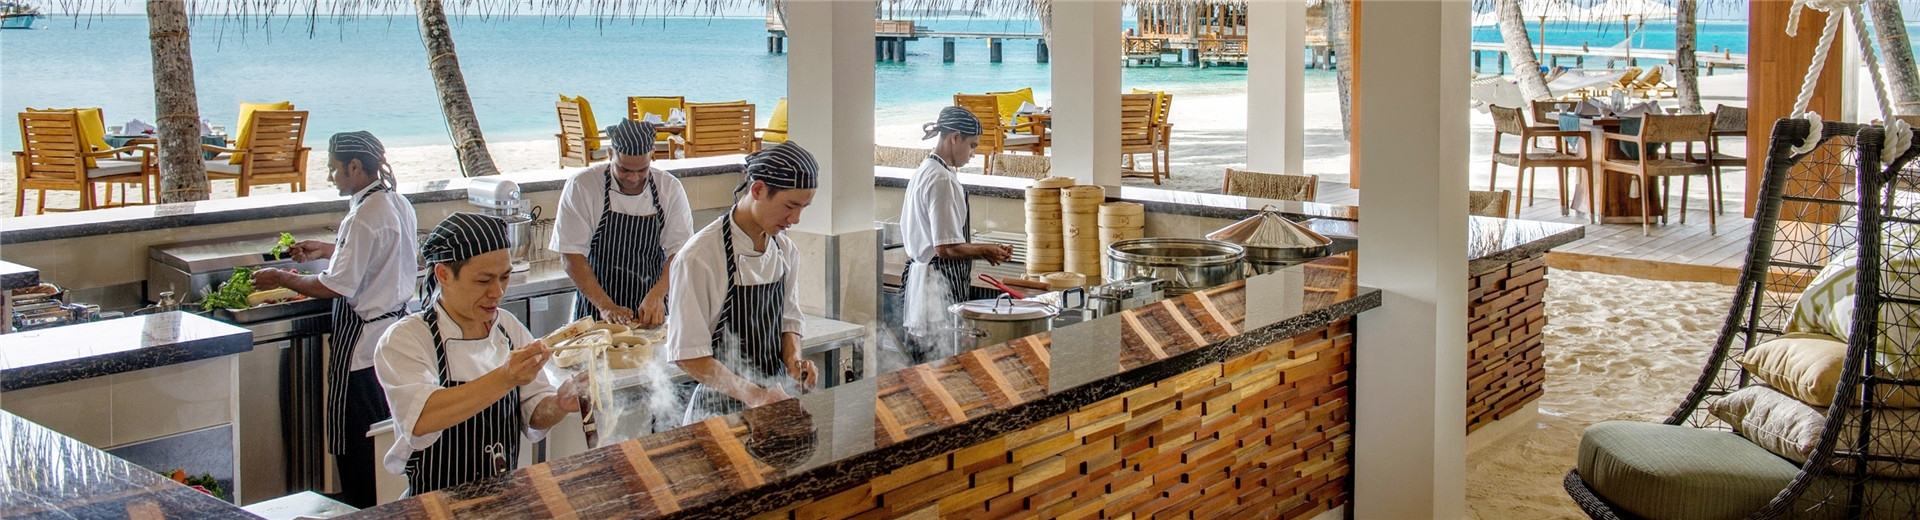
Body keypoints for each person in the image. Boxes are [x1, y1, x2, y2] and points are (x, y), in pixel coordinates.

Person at [250, 131, 417, 508]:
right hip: (393, 340)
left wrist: (281, 276)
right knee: (385, 444)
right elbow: (380, 256)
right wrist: (327, 249)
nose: (330, 177)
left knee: (355, 447)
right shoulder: (397, 203)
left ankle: (359, 511)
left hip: (359, 351)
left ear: (355, 167)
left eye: (333, 169)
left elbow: (335, 287)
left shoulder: (363, 216)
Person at [374, 213, 583, 494]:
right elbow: (422, 418)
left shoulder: (507, 327)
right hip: (436, 502)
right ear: (443, 274)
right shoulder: (407, 339)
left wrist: (559, 404)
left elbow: (533, 410)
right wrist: (506, 377)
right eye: (483, 280)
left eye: (505, 277)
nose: (497, 292)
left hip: (503, 497)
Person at [669, 142, 822, 423]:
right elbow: (688, 355)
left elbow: (788, 321)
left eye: (804, 207)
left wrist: (794, 362)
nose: (796, 218)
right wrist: (754, 396)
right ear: (758, 190)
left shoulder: (785, 250)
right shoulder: (699, 257)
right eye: (790, 206)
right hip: (718, 412)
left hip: (776, 400)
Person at [551, 119, 693, 328]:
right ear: (610, 154)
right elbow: (571, 255)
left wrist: (658, 294)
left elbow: (680, 251)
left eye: (642, 170)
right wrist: (606, 306)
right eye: (624, 170)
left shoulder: (669, 188)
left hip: (651, 310)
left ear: (652, 154)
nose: (634, 178)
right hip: (596, 309)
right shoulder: (583, 186)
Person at [900, 107, 1013, 363]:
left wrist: (985, 248)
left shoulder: (926, 170)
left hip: (924, 280)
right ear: (954, 137)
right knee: (941, 364)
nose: (973, 154)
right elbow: (946, 248)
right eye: (972, 145)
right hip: (937, 286)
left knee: (925, 364)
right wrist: (985, 250)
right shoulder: (941, 180)